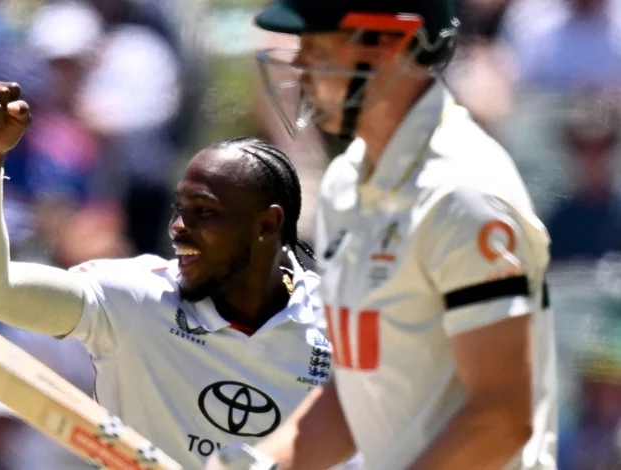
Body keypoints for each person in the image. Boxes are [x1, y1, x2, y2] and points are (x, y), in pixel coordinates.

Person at [208, 1, 556, 469]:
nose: (300, 67)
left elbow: (502, 416)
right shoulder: (344, 184)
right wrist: (259, 465)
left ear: (388, 45)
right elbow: (357, 393)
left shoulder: (463, 193)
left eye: (318, 47)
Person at [0, 81, 361, 469]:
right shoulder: (132, 298)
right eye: (179, 209)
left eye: (205, 212)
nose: (178, 227)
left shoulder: (343, 324)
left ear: (267, 224)